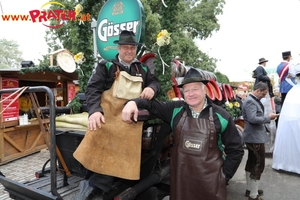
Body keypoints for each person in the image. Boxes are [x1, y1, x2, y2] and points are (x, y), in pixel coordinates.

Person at [122, 67, 244, 200]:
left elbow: (236, 150)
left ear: (205, 90)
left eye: (195, 89)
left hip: (211, 184)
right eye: (187, 90)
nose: (190, 94)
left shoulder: (221, 116)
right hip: (181, 183)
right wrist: (132, 102)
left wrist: (224, 177)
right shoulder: (175, 110)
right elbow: (152, 105)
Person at [74, 30, 161, 200]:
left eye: (132, 48)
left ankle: (100, 185)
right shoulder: (106, 66)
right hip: (108, 117)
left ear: (136, 50)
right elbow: (92, 90)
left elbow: (155, 82)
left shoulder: (141, 68)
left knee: (126, 144)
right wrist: (94, 112)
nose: (129, 51)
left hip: (130, 120)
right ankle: (94, 186)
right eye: (125, 47)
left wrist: (152, 88)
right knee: (104, 137)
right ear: (119, 48)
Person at [242, 82, 279, 200]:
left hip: (253, 137)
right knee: (258, 164)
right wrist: (269, 117)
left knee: (252, 163)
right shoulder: (250, 101)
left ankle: (251, 190)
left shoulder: (251, 100)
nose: (264, 96)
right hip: (254, 138)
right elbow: (253, 119)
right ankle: (253, 195)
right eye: (263, 94)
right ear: (257, 90)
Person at [272, 64, 300, 174]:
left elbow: (288, 78)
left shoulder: (292, 92)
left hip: (292, 101)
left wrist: (293, 83)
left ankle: (287, 163)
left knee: (290, 133)